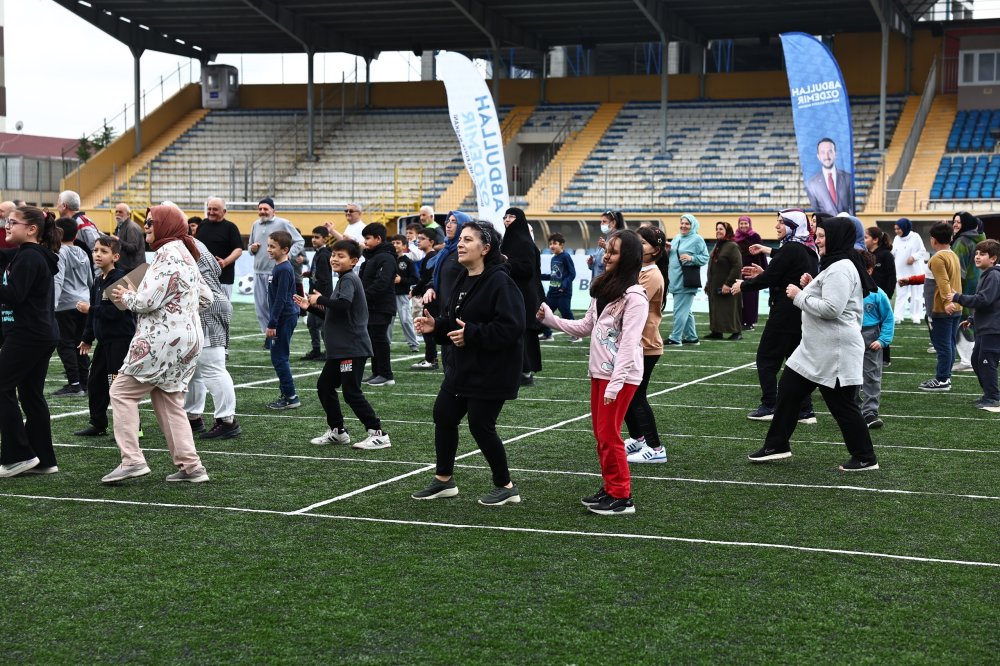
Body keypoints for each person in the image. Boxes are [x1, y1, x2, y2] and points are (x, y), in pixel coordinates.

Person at [748, 216, 879, 472]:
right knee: (788, 390)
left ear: (836, 238)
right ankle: (777, 445)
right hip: (816, 349)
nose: (816, 240)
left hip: (834, 351)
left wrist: (799, 296)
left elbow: (832, 309)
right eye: (816, 235)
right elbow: (830, 298)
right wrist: (810, 288)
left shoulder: (841, 267)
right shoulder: (836, 264)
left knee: (842, 406)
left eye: (821, 236)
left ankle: (865, 457)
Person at [412, 221, 525, 506]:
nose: (460, 244)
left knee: (480, 425)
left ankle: (506, 486)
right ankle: (443, 480)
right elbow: (457, 322)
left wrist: (473, 334)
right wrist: (436, 325)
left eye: (468, 240)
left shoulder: (501, 281)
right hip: (462, 366)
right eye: (460, 239)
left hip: (491, 370)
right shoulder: (465, 278)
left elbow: (512, 327)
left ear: (486, 248)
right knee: (444, 414)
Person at [539, 229, 647, 514]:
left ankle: (622, 497)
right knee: (601, 435)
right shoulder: (604, 288)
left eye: (614, 251)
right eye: (607, 250)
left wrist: (615, 383)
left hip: (620, 377)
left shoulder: (635, 297)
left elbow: (629, 344)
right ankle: (610, 488)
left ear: (629, 258)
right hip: (601, 374)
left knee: (610, 435)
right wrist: (552, 320)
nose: (607, 255)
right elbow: (586, 327)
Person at [103, 204, 212, 484]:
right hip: (189, 339)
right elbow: (207, 297)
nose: (147, 226)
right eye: (146, 221)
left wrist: (125, 294)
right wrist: (180, 310)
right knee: (169, 398)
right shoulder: (187, 253)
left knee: (121, 392)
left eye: (151, 222)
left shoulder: (166, 254)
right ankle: (191, 466)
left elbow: (145, 302)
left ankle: (132, 460)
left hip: (161, 339)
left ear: (166, 225)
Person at [295, 239, 391, 450]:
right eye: (333, 255)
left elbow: (343, 305)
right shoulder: (343, 279)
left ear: (353, 261)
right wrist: (310, 306)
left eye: (341, 256)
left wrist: (319, 298)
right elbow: (334, 312)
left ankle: (378, 434)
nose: (334, 259)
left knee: (351, 392)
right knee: (325, 386)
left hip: (352, 347)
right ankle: (338, 431)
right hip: (340, 349)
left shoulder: (348, 279)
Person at [732, 208, 818, 423]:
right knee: (796, 362)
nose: (777, 225)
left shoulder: (791, 248)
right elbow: (783, 274)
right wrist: (765, 271)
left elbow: (770, 278)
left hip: (784, 314)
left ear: (793, 225)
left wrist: (744, 285)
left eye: (782, 222)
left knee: (766, 359)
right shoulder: (807, 249)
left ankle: (770, 404)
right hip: (799, 313)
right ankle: (805, 410)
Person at [0, 206, 61, 477]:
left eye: (12, 222)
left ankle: (18, 455)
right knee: (30, 395)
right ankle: (43, 459)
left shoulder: (30, 258)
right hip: (38, 333)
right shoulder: (26, 255)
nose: (6, 226)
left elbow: (14, 294)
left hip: (29, 334)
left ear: (32, 229)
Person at [74, 236, 138, 437]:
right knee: (96, 382)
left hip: (120, 341)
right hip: (105, 341)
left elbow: (115, 312)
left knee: (117, 383)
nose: (97, 254)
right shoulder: (98, 280)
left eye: (103, 251)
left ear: (115, 256)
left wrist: (90, 309)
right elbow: (95, 317)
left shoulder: (120, 279)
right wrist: (87, 337)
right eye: (95, 250)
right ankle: (98, 424)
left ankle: (133, 428)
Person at [184, 236, 241, 440]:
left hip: (206, 308)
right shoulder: (195, 242)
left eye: (151, 223)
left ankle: (227, 421)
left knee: (212, 367)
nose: (147, 227)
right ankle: (193, 417)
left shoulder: (179, 245)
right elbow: (217, 269)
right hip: (210, 303)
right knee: (195, 368)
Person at [624, 225, 669, 464]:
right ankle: (639, 439)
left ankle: (656, 447)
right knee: (627, 394)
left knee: (637, 395)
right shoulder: (640, 270)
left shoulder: (651, 275)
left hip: (646, 344)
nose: (638, 247)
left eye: (643, 243)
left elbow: (630, 301)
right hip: (635, 342)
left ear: (656, 250)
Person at [949, 239, 1000, 412]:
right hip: (985, 326)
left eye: (982, 254)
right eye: (977, 253)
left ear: (993, 258)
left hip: (993, 328)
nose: (977, 256)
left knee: (987, 362)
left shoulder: (993, 275)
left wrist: (958, 297)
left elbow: (984, 300)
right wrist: (972, 318)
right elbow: (987, 302)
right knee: (976, 361)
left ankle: (993, 397)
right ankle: (989, 393)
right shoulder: (987, 274)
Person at [247, 198, 304, 342]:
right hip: (258, 271)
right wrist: (252, 249)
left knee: (275, 304)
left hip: (275, 272)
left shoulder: (283, 223)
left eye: (265, 209)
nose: (262, 212)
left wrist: (288, 255)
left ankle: (275, 335)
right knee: (261, 308)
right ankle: (269, 335)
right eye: (260, 209)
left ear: (273, 211)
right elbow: (249, 247)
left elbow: (299, 241)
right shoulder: (255, 225)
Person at [500, 207, 545, 387]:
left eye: (512, 216)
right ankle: (518, 370)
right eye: (506, 216)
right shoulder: (509, 240)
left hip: (524, 294)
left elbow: (527, 269)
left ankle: (526, 372)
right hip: (513, 292)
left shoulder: (524, 242)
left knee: (524, 331)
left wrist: (505, 261)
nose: (508, 219)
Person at [51, 217, 94, 397]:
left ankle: (74, 384)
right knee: (81, 343)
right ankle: (84, 383)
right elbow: (90, 280)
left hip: (65, 304)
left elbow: (57, 280)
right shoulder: (82, 252)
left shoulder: (60, 252)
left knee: (65, 344)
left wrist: (52, 305)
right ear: (76, 233)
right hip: (83, 302)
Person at [919, 222, 963, 392]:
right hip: (954, 307)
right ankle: (945, 377)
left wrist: (946, 302)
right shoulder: (952, 254)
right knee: (949, 344)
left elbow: (943, 282)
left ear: (933, 239)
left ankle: (943, 379)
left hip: (942, 309)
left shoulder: (937, 258)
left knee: (943, 345)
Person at [264, 230, 301, 409]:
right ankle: (286, 394)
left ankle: (291, 397)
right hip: (283, 316)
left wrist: (272, 323)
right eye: (268, 245)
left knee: (279, 358)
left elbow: (281, 299)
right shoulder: (279, 267)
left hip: (284, 317)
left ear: (285, 249)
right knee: (278, 356)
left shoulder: (285, 269)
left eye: (273, 246)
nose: (269, 249)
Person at [857, 250, 894, 429]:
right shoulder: (845, 290)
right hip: (849, 335)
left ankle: (870, 412)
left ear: (870, 270)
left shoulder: (878, 294)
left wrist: (883, 340)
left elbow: (888, 318)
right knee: (849, 375)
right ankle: (852, 409)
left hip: (870, 336)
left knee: (871, 375)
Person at [359, 222, 398, 387]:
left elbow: (383, 283)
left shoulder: (386, 257)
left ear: (378, 238)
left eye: (368, 238)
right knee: (373, 339)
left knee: (380, 339)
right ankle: (377, 372)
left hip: (381, 306)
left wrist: (363, 296)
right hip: (372, 305)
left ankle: (386, 374)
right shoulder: (372, 257)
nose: (365, 242)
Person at [951, 211, 987, 372]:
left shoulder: (962, 241)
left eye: (959, 222)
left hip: (965, 288)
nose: (955, 224)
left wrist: (954, 292)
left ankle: (967, 360)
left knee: (963, 322)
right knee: (976, 321)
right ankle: (976, 357)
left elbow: (957, 269)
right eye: (954, 222)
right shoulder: (980, 237)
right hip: (980, 284)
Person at [666, 214, 708, 346]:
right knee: (685, 310)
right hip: (675, 280)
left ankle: (675, 338)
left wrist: (692, 259)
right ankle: (691, 337)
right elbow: (672, 257)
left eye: (687, 224)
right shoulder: (677, 237)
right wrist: (667, 250)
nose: (683, 226)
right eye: (682, 223)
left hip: (685, 281)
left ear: (693, 225)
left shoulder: (697, 239)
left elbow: (705, 257)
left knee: (679, 311)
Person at [195, 197, 243, 297]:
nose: (211, 212)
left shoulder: (231, 228)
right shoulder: (202, 225)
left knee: (222, 311)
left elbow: (238, 250)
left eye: (215, 209)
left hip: (223, 279)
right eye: (209, 209)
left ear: (224, 211)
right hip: (202, 279)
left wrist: (224, 262)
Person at [705, 221, 743, 341]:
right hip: (715, 284)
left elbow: (737, 265)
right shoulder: (718, 245)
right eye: (717, 229)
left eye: (721, 229)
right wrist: (708, 283)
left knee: (730, 308)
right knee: (716, 308)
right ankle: (717, 331)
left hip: (728, 284)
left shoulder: (732, 246)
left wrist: (728, 284)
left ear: (727, 231)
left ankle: (737, 332)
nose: (718, 231)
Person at [864, 226, 896, 366]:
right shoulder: (866, 255)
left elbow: (891, 276)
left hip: (881, 296)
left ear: (876, 240)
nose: (864, 240)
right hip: (869, 296)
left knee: (883, 325)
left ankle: (885, 358)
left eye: (866, 237)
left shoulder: (885, 255)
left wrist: (888, 294)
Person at [409, 227, 440, 370]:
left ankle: (431, 359)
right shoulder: (429, 256)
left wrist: (414, 291)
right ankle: (431, 358)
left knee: (428, 328)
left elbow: (426, 278)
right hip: (430, 295)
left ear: (431, 242)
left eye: (422, 239)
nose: (418, 241)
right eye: (418, 239)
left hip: (431, 297)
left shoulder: (432, 256)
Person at [539, 232, 578, 342]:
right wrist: (539, 276)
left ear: (562, 245)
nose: (552, 246)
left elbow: (572, 274)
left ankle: (576, 334)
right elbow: (554, 276)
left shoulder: (566, 256)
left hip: (563, 292)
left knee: (566, 313)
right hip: (552, 292)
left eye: (554, 243)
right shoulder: (553, 258)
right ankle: (547, 334)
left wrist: (564, 286)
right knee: (544, 313)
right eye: (550, 243)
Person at [301, 226, 332, 361]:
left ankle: (329, 351)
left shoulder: (324, 254)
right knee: (311, 323)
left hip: (320, 297)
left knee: (323, 325)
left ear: (325, 239)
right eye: (313, 237)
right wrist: (310, 274)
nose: (313, 240)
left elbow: (325, 279)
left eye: (317, 237)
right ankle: (316, 350)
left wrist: (321, 299)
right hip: (313, 296)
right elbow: (318, 275)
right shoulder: (318, 253)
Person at [891, 217, 927, 325]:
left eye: (899, 229)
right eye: (895, 229)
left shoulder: (915, 236)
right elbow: (893, 251)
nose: (897, 231)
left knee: (916, 295)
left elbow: (922, 250)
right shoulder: (896, 238)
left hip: (915, 272)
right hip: (901, 272)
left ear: (905, 227)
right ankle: (897, 317)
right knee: (900, 295)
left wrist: (913, 257)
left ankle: (916, 316)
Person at [805, 137, 854, 216]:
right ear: (818, 156)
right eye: (823, 152)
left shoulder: (848, 178)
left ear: (835, 153)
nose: (826, 156)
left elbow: (852, 207)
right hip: (826, 226)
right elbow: (817, 212)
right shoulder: (812, 184)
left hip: (846, 225)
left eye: (830, 151)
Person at [388, 233, 420, 353]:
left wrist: (401, 280)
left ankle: (413, 344)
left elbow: (415, 279)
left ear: (404, 246)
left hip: (402, 295)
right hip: (389, 295)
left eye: (398, 243)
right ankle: (386, 344)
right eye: (393, 243)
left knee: (406, 320)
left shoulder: (407, 261)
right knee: (388, 321)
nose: (395, 245)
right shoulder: (387, 259)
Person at [735, 215, 766, 330]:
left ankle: (750, 322)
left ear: (749, 224)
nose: (743, 226)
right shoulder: (735, 238)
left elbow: (762, 253)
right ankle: (740, 321)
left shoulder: (755, 236)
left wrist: (764, 270)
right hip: (738, 272)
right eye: (741, 223)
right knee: (739, 297)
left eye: (745, 223)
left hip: (752, 272)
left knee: (750, 298)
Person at [111, 203, 146, 273]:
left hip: (131, 269)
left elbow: (133, 247)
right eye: (116, 211)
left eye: (120, 212)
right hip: (125, 267)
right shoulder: (120, 226)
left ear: (128, 214)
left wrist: (118, 241)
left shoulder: (131, 227)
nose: (117, 214)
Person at [588, 210, 623, 279]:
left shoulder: (620, 238)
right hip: (597, 282)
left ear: (613, 223)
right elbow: (598, 266)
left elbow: (619, 261)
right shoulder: (605, 239)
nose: (601, 224)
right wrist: (591, 263)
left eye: (604, 221)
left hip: (608, 283)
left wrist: (606, 247)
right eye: (601, 222)